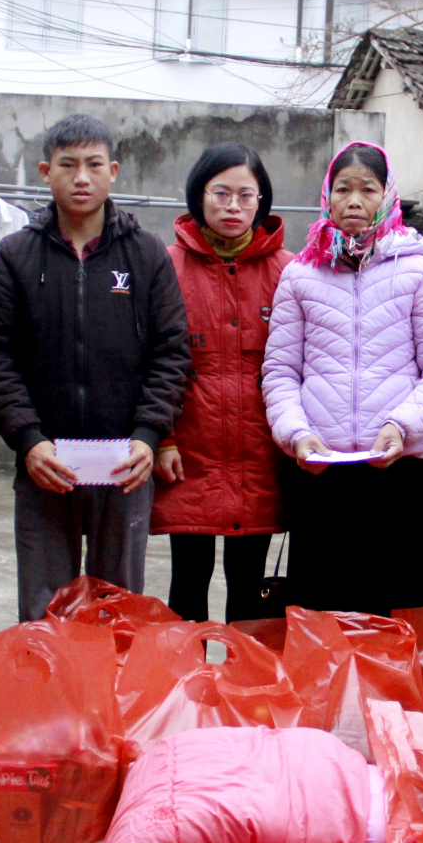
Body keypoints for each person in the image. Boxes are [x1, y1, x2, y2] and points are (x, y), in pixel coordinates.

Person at [0, 114, 190, 621]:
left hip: (122, 463)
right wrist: (28, 440)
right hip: (44, 464)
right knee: (44, 611)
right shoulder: (15, 256)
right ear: (44, 171)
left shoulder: (145, 256)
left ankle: (108, 701)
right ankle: (48, 699)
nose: (81, 178)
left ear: (113, 171)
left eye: (94, 165)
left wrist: (147, 434)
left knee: (116, 610)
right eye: (68, 165)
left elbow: (171, 352)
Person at [262, 141, 423, 615]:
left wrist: (403, 425)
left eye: (367, 189)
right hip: (320, 470)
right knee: (322, 609)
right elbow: (280, 371)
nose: (354, 201)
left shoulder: (418, 271)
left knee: (391, 603)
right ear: (326, 197)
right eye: (343, 189)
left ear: (388, 196)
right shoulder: (299, 275)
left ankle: (387, 691)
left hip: (395, 469)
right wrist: (297, 435)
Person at [151, 144, 292, 622]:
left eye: (246, 196)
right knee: (187, 582)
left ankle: (244, 692)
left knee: (250, 589)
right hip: (189, 452)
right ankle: (188, 692)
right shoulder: (165, 266)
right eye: (221, 194)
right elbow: (152, 362)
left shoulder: (288, 270)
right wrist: (162, 438)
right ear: (199, 196)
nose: (234, 207)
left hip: (260, 453)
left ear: (262, 201)